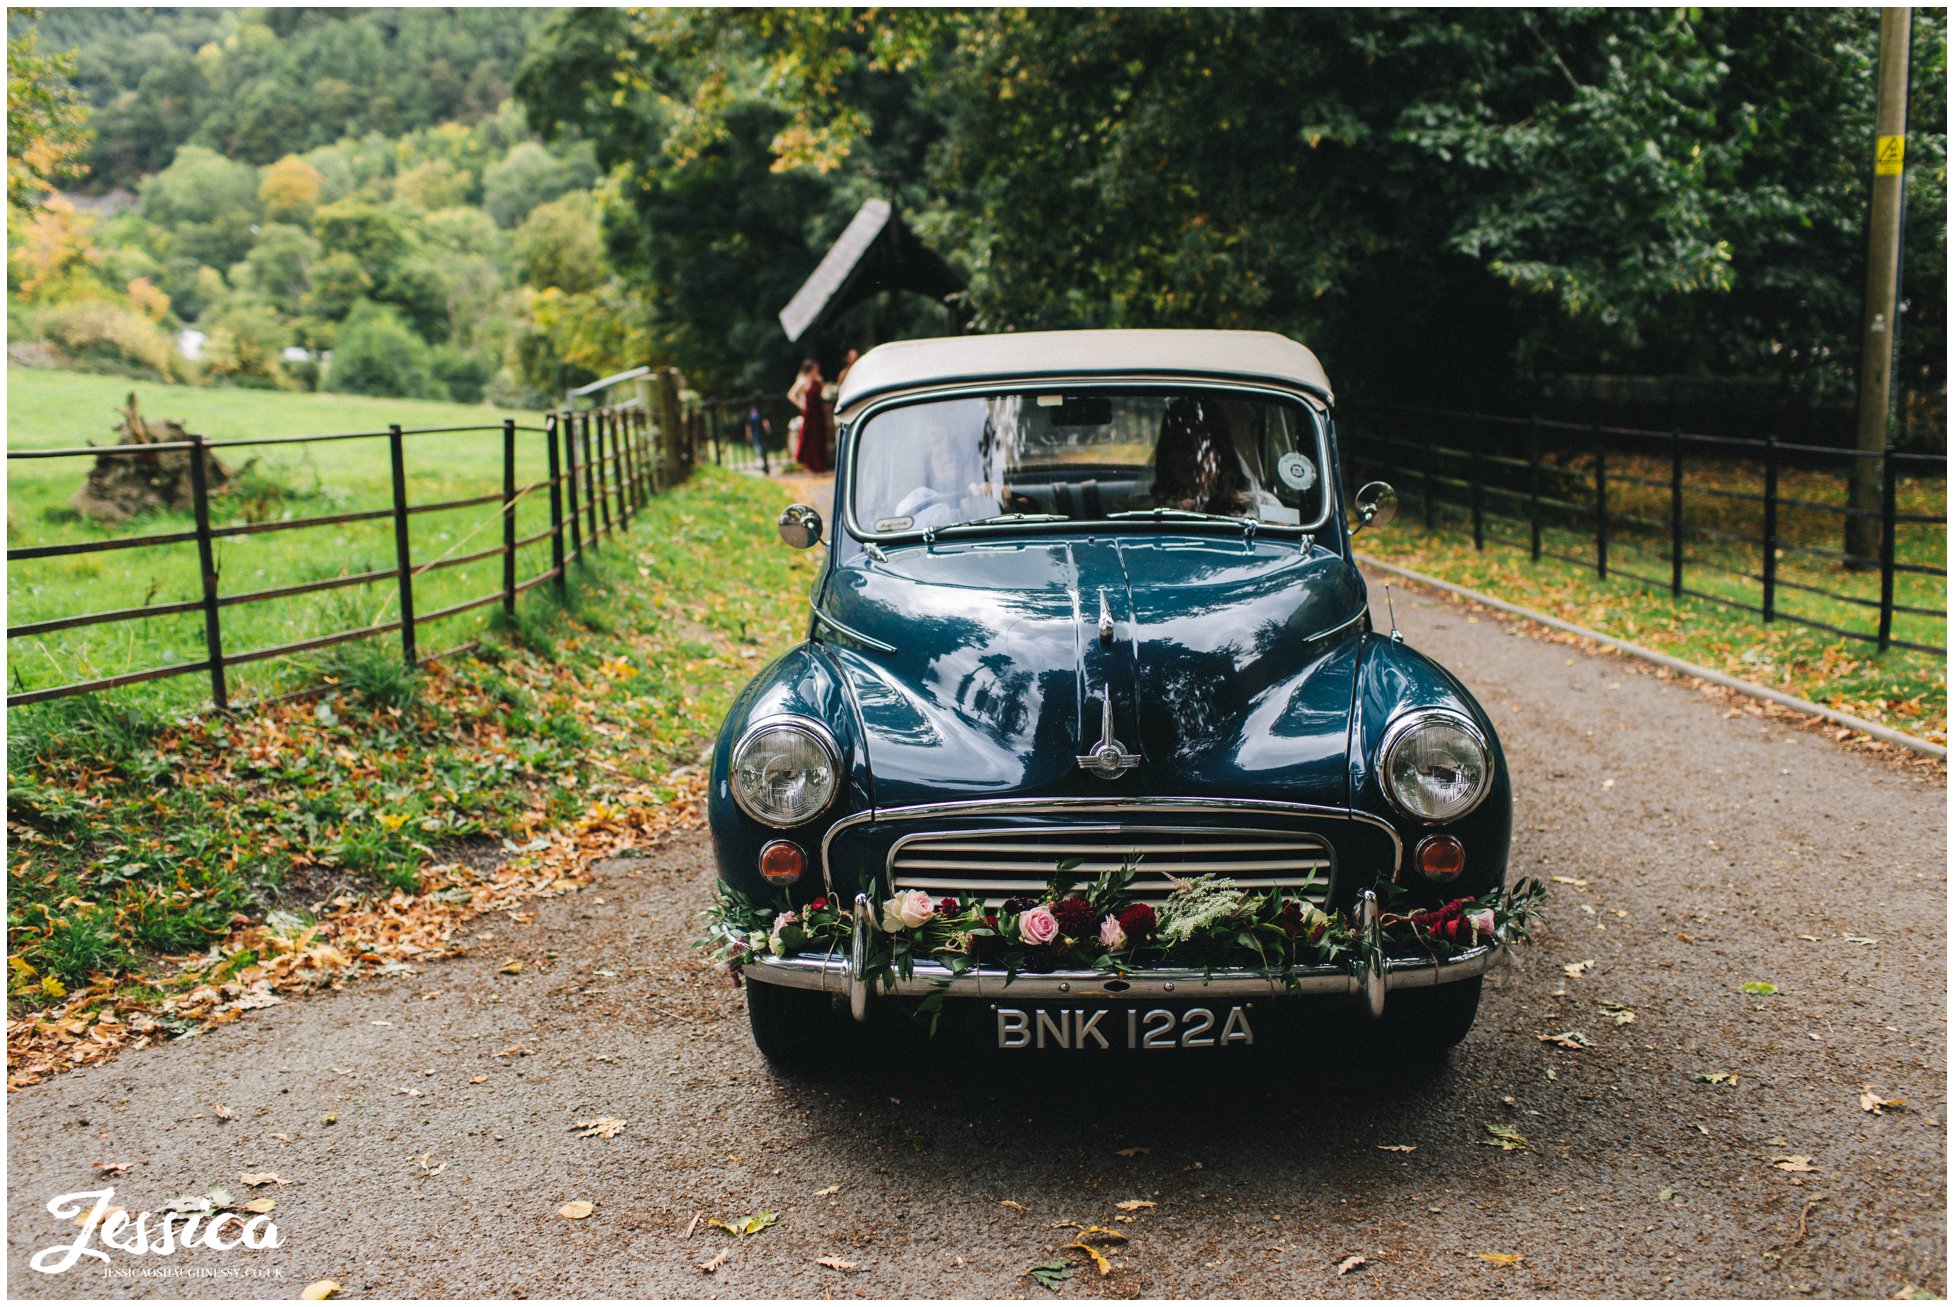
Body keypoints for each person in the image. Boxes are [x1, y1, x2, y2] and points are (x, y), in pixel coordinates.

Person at [1147, 397, 1254, 516]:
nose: (1195, 458)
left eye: (1205, 448)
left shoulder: (1254, 507)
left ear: (1222, 453)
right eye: (1184, 446)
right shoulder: (1148, 511)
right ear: (1168, 455)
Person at [786, 359, 831, 473]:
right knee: (810, 438)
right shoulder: (803, 380)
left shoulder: (818, 379)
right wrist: (801, 405)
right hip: (810, 412)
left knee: (820, 437)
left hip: (818, 411)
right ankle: (810, 465)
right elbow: (791, 394)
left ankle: (820, 465)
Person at [744, 402, 771, 474]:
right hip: (757, 434)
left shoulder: (755, 417)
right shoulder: (754, 417)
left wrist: (767, 428)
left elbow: (764, 423)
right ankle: (761, 459)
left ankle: (761, 460)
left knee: (759, 446)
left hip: (758, 434)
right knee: (758, 446)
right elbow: (748, 427)